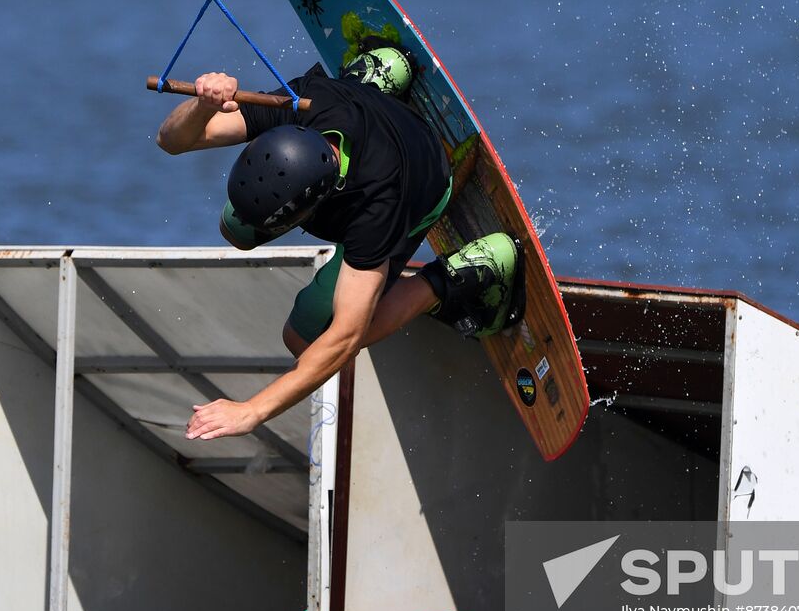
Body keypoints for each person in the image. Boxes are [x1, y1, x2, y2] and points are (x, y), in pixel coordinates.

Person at [155, 47, 523, 442]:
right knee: (236, 228)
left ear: (312, 208)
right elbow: (171, 141)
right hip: (350, 114)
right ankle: (378, 78)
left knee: (305, 339)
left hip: (422, 182)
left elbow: (345, 338)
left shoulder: (376, 208)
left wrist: (251, 411)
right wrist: (203, 104)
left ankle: (451, 278)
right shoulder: (294, 107)